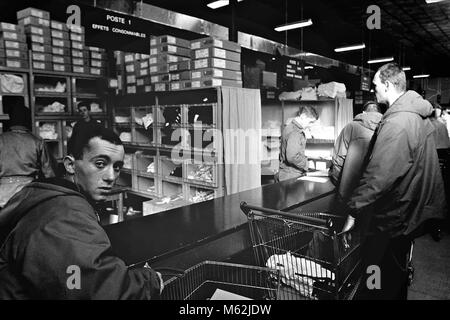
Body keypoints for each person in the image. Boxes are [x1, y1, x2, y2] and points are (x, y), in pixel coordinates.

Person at [0, 126, 163, 299]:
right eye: (100, 164)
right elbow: (97, 292)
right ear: (70, 165)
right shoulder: (65, 215)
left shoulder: (49, 195)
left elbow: (73, 278)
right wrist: (149, 281)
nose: (110, 176)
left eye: (117, 167)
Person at [341, 63, 446, 300]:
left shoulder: (398, 123)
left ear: (388, 85)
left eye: (376, 86)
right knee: (396, 276)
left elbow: (378, 175)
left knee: (375, 275)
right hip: (408, 211)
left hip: (390, 217)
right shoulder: (416, 116)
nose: (374, 92)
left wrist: (353, 210)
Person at [0, 97, 56, 208]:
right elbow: (49, 173)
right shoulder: (37, 141)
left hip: (3, 195)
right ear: (27, 120)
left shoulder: (1, 139)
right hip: (29, 193)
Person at [329, 101, 382, 201]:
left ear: (363, 112)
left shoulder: (351, 127)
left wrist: (340, 185)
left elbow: (338, 160)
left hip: (350, 191)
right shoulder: (387, 128)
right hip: (376, 193)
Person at [277, 106, 319, 181]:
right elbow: (292, 157)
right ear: (303, 116)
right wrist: (307, 164)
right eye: (310, 122)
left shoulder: (289, 127)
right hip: (291, 175)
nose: (310, 125)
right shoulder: (295, 132)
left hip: (285, 173)